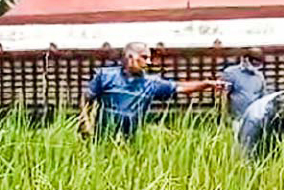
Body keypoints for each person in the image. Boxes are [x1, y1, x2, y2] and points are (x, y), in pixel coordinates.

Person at [79, 42, 227, 140]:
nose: (148, 62)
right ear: (131, 57)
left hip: (130, 139)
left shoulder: (151, 83)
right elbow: (86, 98)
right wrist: (85, 121)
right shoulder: (105, 76)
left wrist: (206, 84)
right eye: (144, 57)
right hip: (102, 137)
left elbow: (181, 88)